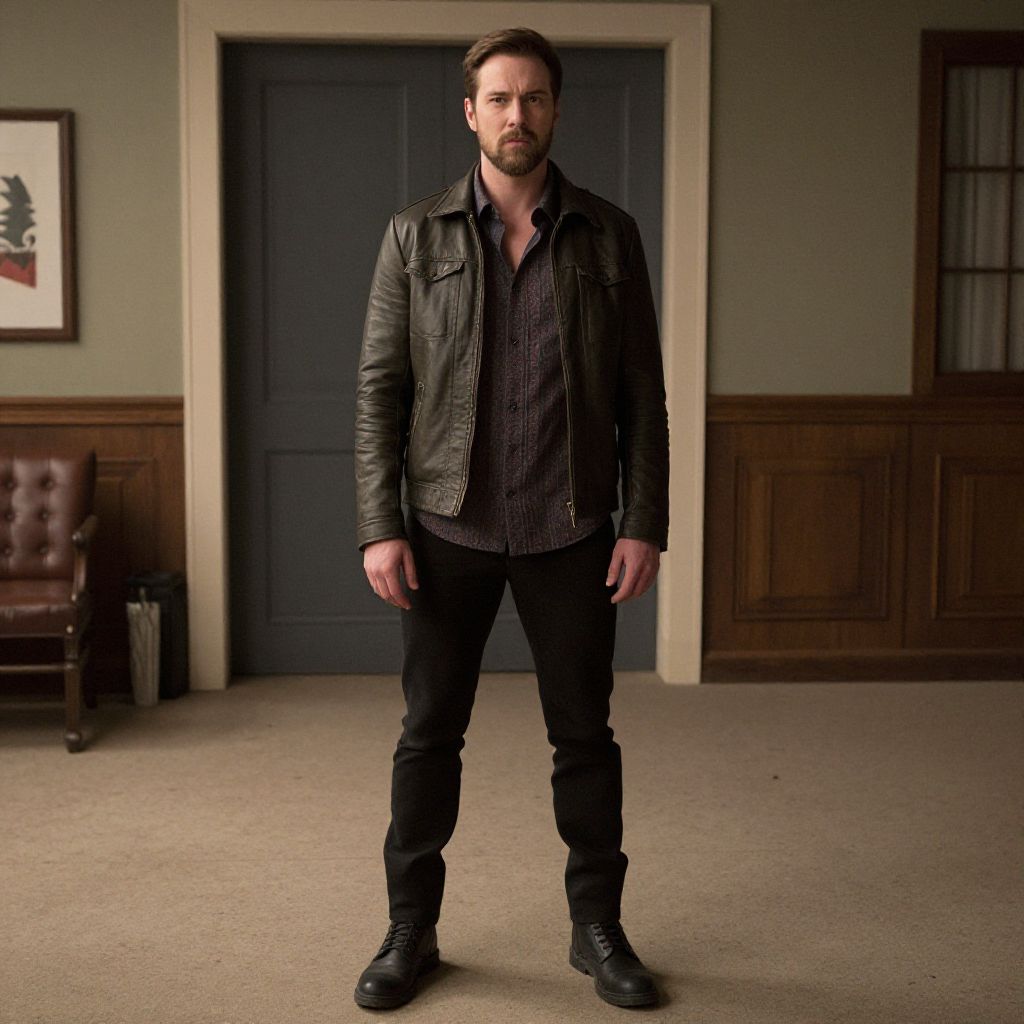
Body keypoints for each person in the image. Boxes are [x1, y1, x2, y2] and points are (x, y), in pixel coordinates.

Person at [353, 27, 669, 1010]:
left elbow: (641, 393)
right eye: (498, 98)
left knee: (585, 738)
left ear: (555, 109)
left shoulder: (610, 235)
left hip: (571, 529)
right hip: (445, 529)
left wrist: (643, 519)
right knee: (427, 736)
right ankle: (410, 930)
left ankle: (597, 928)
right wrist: (379, 524)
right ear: (470, 112)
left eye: (532, 97)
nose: (516, 114)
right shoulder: (414, 236)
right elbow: (380, 390)